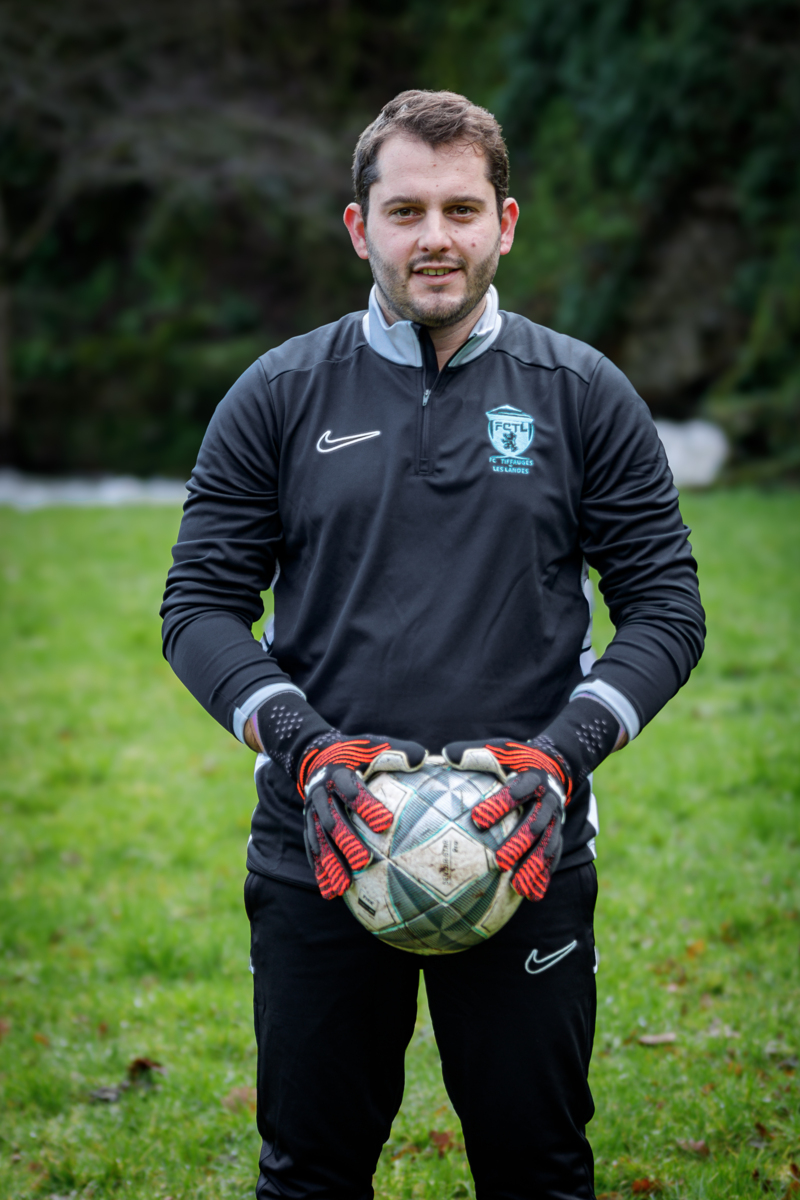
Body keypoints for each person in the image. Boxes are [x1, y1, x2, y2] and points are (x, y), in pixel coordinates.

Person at [161, 89, 705, 1200]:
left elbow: (664, 607)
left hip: (524, 840)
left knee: (537, 1171)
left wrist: (565, 754)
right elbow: (199, 608)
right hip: (323, 840)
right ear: (358, 226)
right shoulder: (278, 394)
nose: (435, 238)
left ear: (505, 222)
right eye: (405, 211)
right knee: (308, 1175)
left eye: (461, 210)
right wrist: (303, 746)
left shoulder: (582, 394)